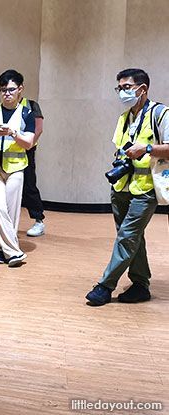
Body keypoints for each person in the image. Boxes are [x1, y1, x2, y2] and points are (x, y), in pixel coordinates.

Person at [85, 68, 169, 306]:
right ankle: (141, 284)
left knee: (127, 236)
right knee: (133, 237)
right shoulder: (124, 117)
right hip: (122, 186)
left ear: (142, 89)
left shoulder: (161, 114)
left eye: (126, 88)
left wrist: (147, 149)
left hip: (146, 188)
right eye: (119, 88)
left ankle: (104, 286)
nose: (122, 92)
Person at [0, 70, 35, 267]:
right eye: (3, 90)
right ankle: (15, 253)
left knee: (11, 212)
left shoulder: (27, 113)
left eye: (11, 89)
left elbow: (29, 143)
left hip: (16, 168)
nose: (7, 94)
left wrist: (13, 133)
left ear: (20, 89)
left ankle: (3, 251)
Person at [21, 95, 47, 237]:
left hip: (26, 150)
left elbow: (39, 128)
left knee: (29, 185)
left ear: (20, 88)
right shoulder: (2, 108)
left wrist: (28, 145)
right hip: (8, 152)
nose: (8, 93)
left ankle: (38, 221)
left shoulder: (31, 105)